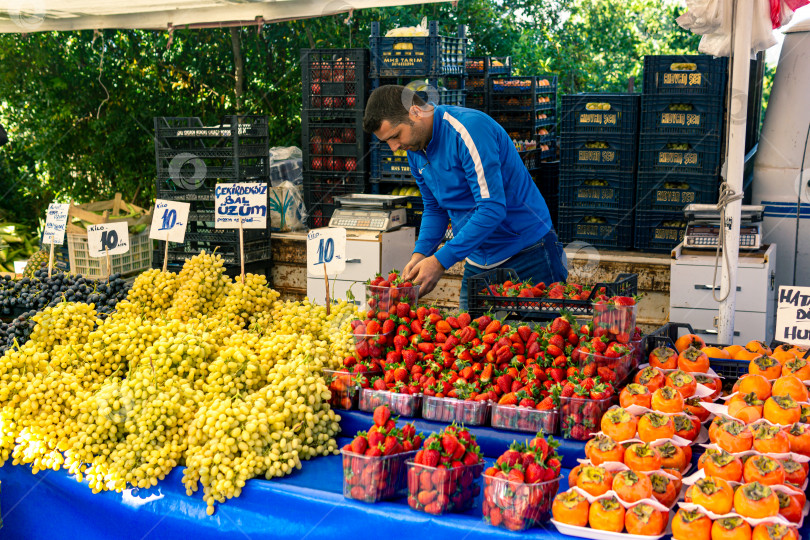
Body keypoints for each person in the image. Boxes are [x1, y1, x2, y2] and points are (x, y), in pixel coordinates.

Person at [363, 85, 567, 310]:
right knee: (469, 338)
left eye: (395, 136)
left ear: (415, 112)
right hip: (478, 258)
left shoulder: (469, 129)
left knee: (538, 340)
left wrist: (440, 261)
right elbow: (435, 208)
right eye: (387, 142)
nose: (394, 148)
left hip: (528, 252)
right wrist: (421, 254)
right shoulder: (415, 151)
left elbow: (492, 208)